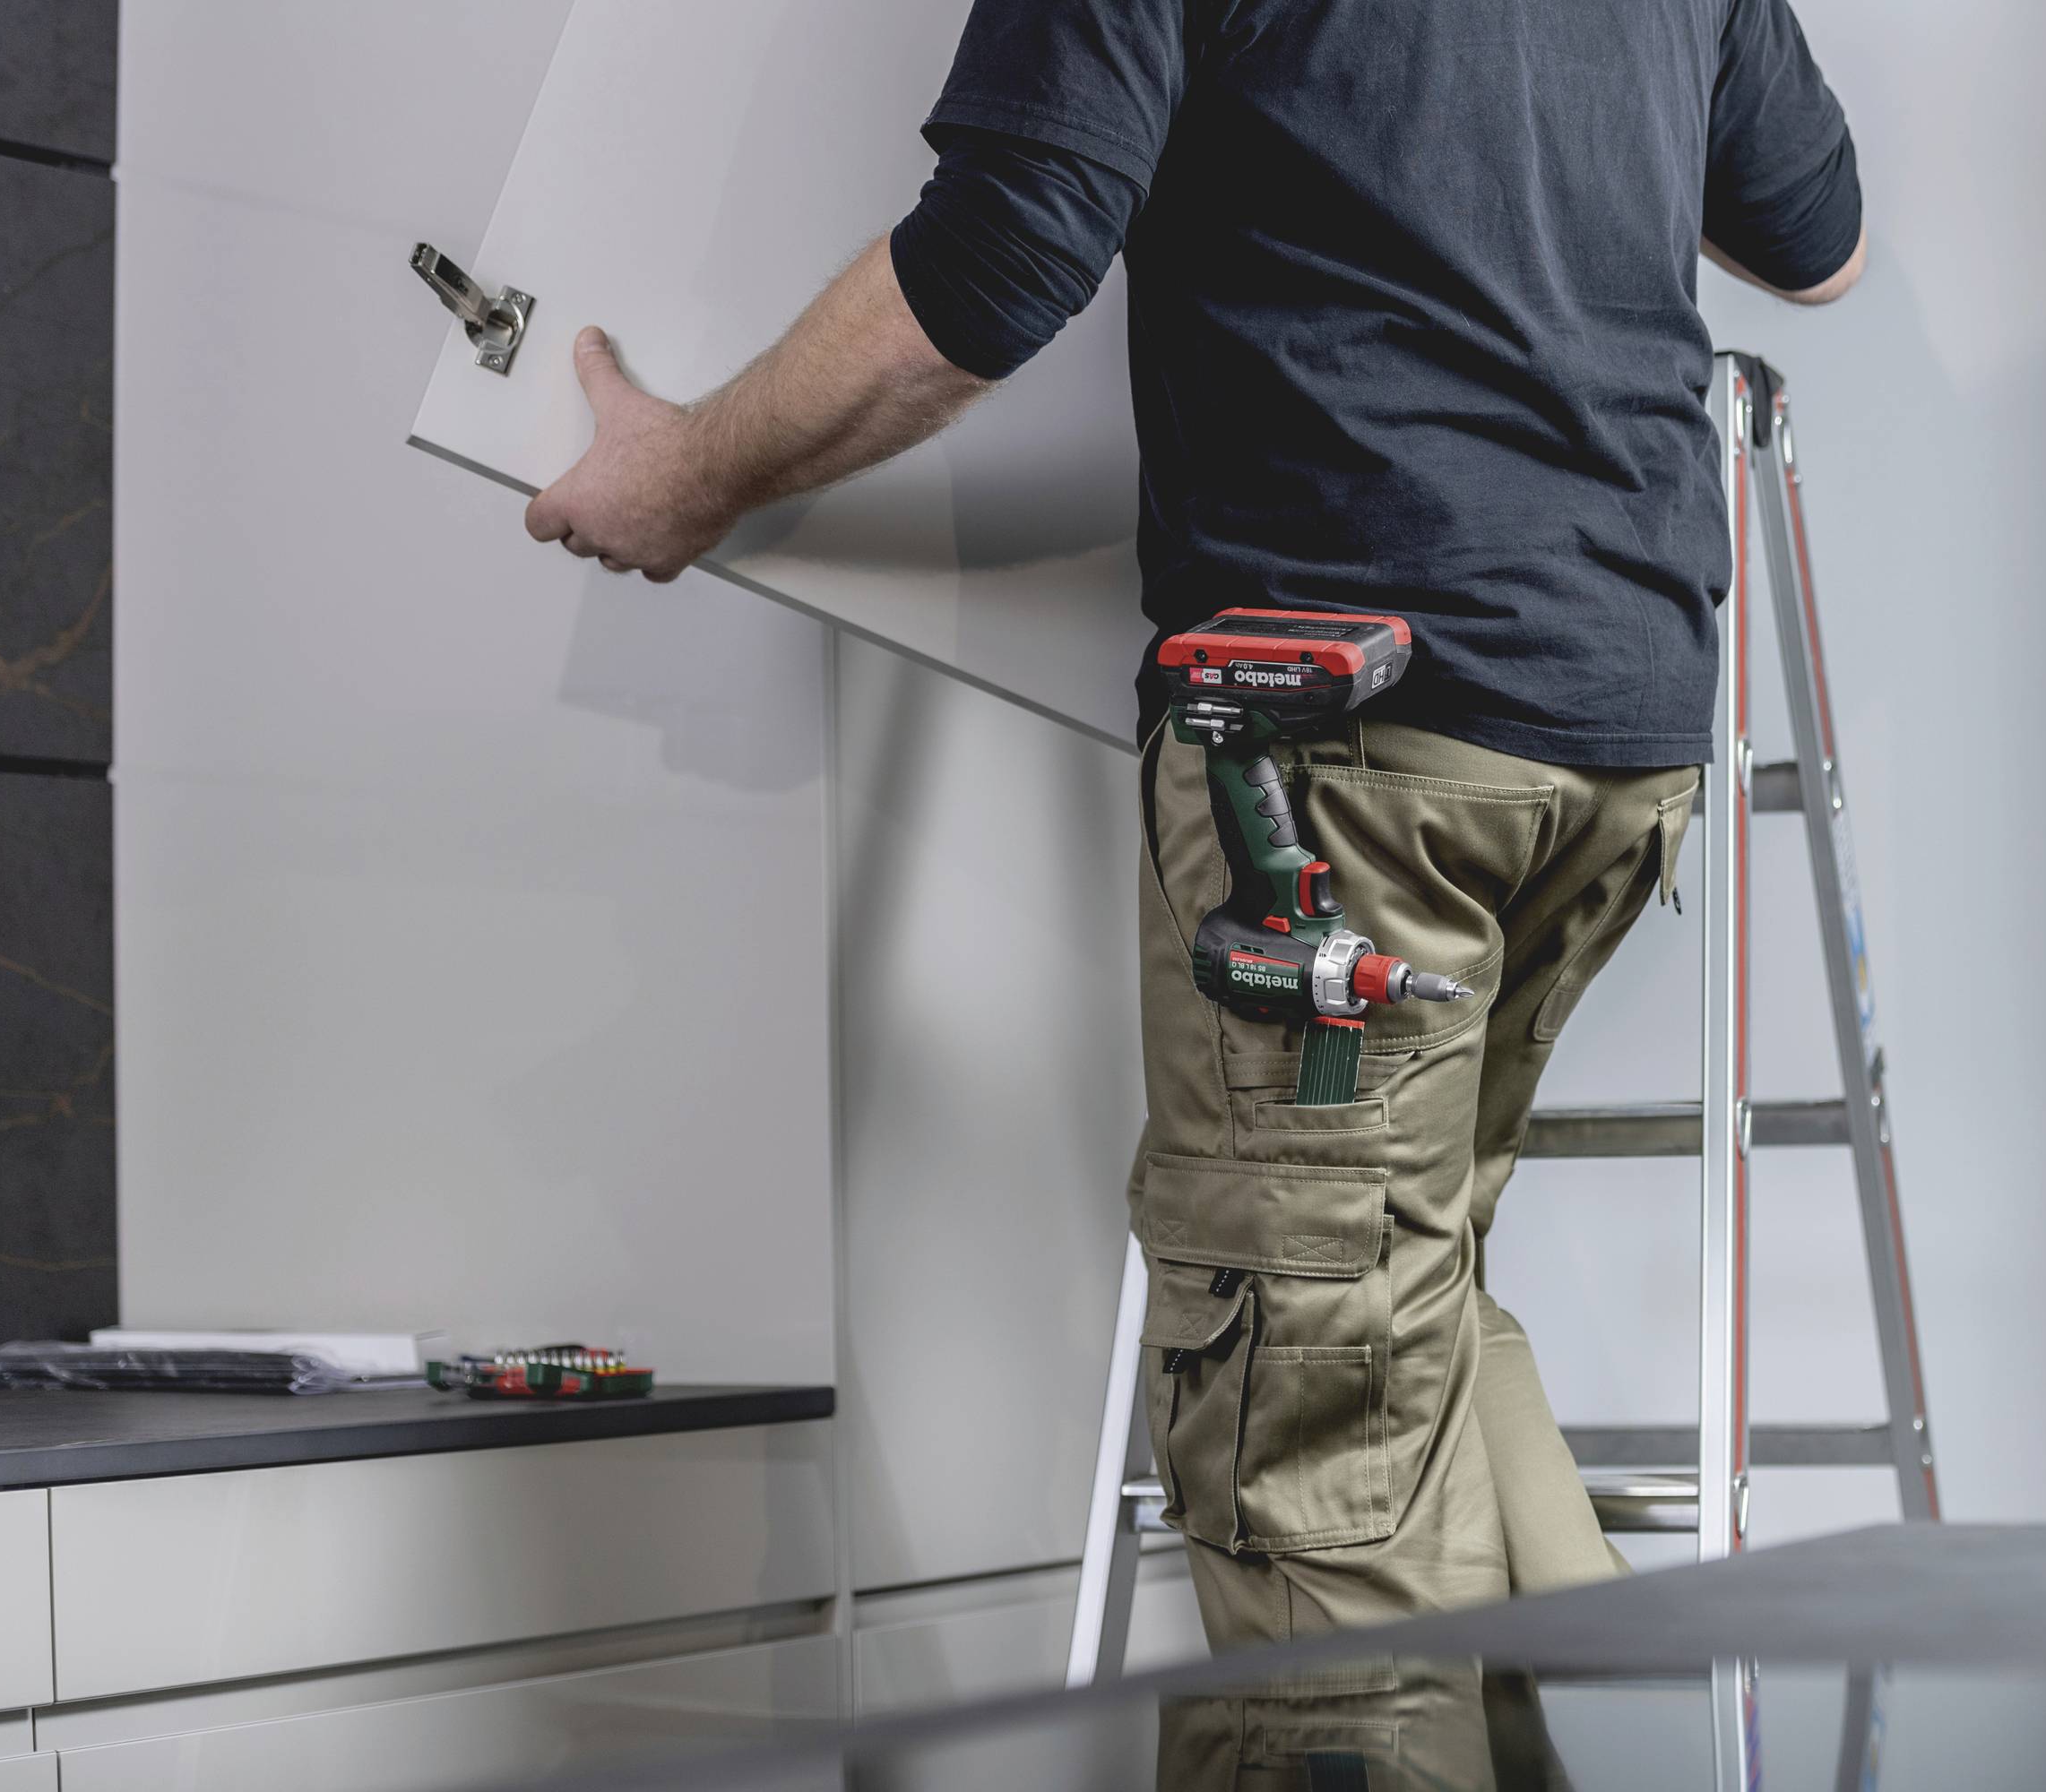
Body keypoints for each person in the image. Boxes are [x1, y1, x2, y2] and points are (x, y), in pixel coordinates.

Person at [526, 0, 1859, 1682]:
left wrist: (685, 475)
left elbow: (997, 266)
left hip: (1360, 744)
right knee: (1404, 1302)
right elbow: (1823, 241)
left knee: (1315, 1463)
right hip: (1618, 730)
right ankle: (1617, 1723)